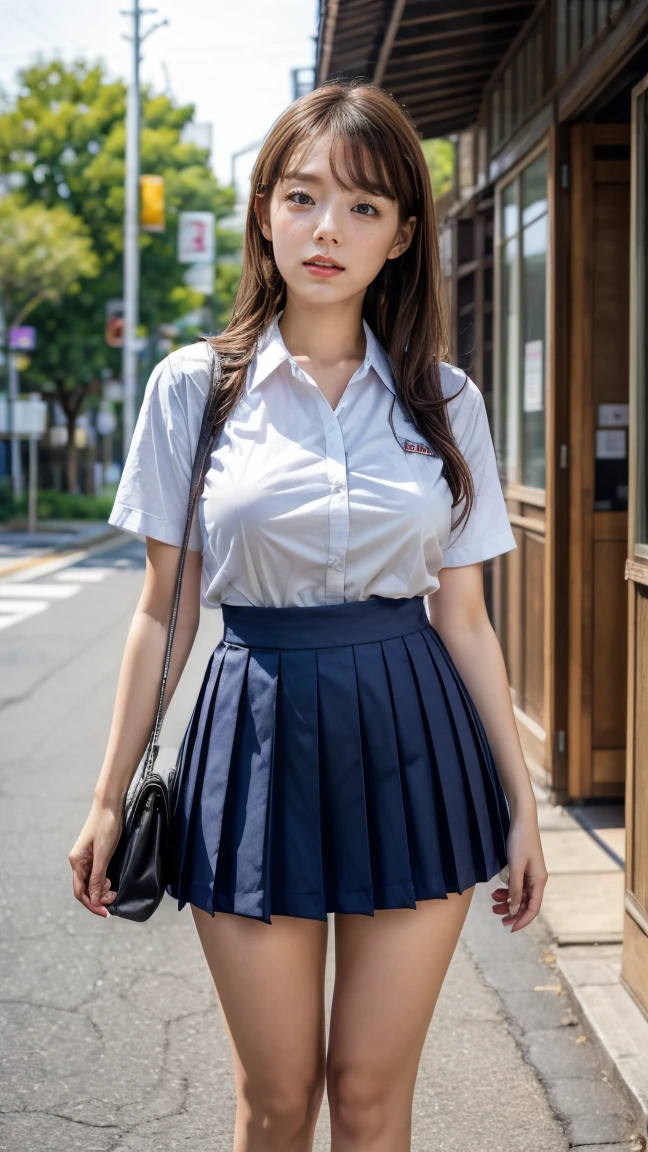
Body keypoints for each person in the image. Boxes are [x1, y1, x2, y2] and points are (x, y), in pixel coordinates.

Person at [69, 78, 548, 1152]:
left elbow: (464, 618)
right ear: (263, 212)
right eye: (302, 197)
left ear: (401, 236)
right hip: (254, 741)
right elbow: (164, 613)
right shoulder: (193, 389)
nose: (327, 228)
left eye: (364, 207)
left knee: (372, 1102)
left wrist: (519, 804)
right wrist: (108, 800)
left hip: (417, 744)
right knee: (276, 1103)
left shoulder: (447, 398)